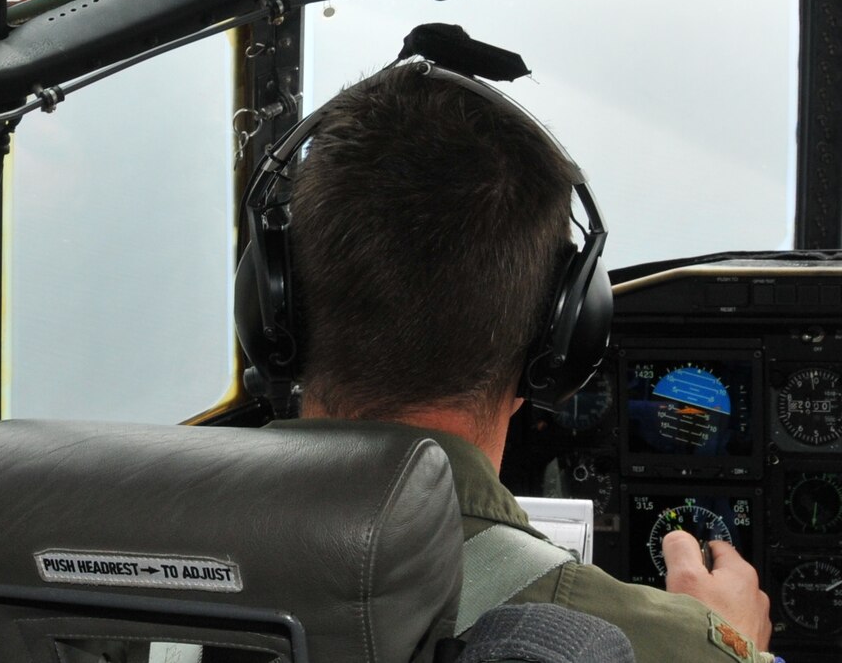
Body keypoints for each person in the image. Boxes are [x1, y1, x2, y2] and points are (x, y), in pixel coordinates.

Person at [273, 62, 772, 663]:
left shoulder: (160, 540)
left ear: (274, 310)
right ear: (556, 342)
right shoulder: (677, 648)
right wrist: (731, 645)